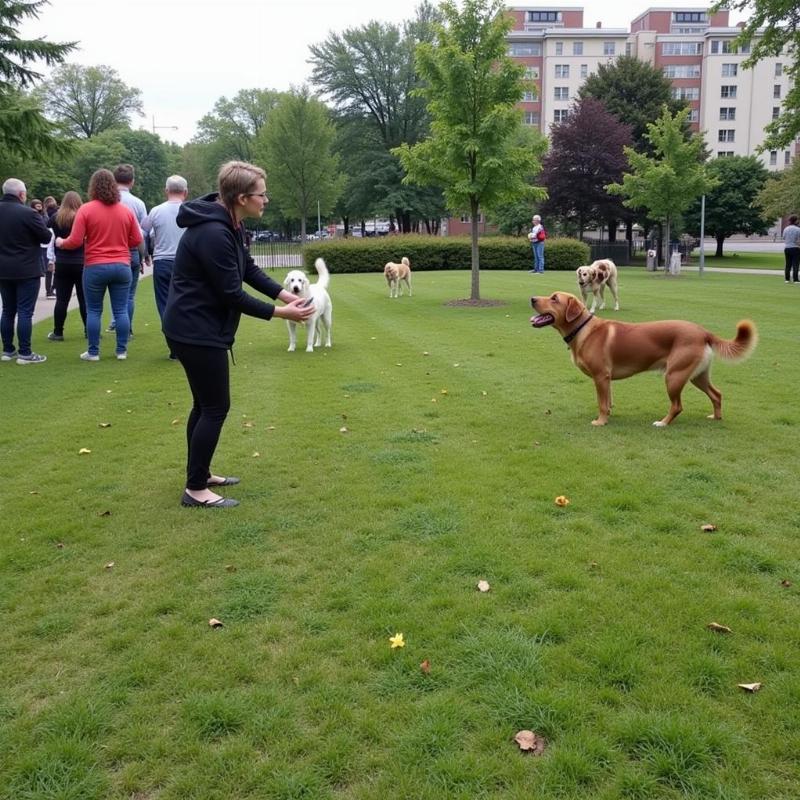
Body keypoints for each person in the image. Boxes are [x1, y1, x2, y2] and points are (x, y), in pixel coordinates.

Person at [162, 160, 314, 508]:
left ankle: (200, 473)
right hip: (195, 329)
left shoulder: (230, 224)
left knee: (204, 405)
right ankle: (196, 490)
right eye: (262, 194)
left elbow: (248, 269)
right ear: (242, 197)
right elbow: (231, 293)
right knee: (215, 407)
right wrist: (282, 313)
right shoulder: (214, 233)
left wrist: (286, 294)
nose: (266, 200)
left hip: (195, 326)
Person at [56, 169, 142, 361]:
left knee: (94, 310)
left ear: (92, 186)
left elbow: (75, 241)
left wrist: (61, 242)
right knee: (120, 310)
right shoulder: (125, 211)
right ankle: (121, 350)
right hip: (121, 265)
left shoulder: (86, 209)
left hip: (95, 265)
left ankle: (93, 352)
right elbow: (136, 239)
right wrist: (119, 245)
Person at [0, 178, 52, 364]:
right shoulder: (28, 213)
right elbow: (46, 236)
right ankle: (25, 352)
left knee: (7, 310)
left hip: (3, 269)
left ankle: (7, 350)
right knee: (24, 311)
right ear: (22, 194)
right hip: (26, 268)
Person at [142, 175, 188, 358]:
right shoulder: (190, 210)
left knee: (165, 305)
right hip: (186, 262)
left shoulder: (156, 211)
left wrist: (145, 253)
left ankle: (174, 347)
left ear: (166, 190)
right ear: (185, 192)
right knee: (186, 303)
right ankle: (186, 343)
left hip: (162, 262)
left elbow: (142, 230)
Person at [109, 164, 147, 334]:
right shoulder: (137, 203)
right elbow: (143, 231)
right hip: (130, 250)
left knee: (112, 292)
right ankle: (127, 328)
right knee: (129, 295)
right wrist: (144, 255)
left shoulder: (106, 201)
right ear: (132, 182)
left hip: (107, 251)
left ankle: (116, 321)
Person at [47, 191, 87, 341]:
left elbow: (47, 230)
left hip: (63, 261)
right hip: (81, 260)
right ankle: (88, 331)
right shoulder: (81, 216)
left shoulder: (56, 217)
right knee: (84, 299)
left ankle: (58, 332)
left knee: (62, 299)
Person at [31, 198, 56, 297]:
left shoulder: (45, 216)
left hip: (47, 244)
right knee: (42, 269)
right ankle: (48, 289)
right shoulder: (32, 216)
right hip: (39, 245)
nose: (39, 208)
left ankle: (50, 289)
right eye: (37, 206)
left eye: (40, 206)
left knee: (49, 268)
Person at [783, 214, 800, 284]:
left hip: (787, 248)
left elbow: (784, 237)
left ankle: (787, 279)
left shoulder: (786, 229)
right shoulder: (798, 229)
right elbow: (798, 240)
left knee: (788, 264)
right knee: (795, 264)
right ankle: (795, 279)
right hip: (795, 248)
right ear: (796, 221)